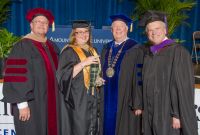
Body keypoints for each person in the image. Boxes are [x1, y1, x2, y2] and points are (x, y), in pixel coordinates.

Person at [2, 8, 60, 135]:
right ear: (31, 25)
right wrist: (22, 104)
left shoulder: (52, 46)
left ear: (48, 27)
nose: (41, 24)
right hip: (32, 102)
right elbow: (17, 76)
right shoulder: (22, 45)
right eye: (38, 21)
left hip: (51, 101)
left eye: (45, 23)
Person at [139, 10, 198, 135]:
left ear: (165, 30)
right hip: (151, 113)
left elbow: (184, 88)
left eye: (157, 28)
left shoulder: (178, 52)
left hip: (168, 114)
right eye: (150, 30)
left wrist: (177, 114)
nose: (154, 33)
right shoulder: (149, 54)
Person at [57, 20, 104, 135]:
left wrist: (97, 79)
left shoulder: (93, 51)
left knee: (93, 128)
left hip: (92, 97)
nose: (84, 35)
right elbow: (62, 76)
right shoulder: (68, 51)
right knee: (80, 129)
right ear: (74, 34)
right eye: (80, 32)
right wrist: (83, 63)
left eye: (86, 31)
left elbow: (92, 73)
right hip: (77, 99)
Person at [100, 14, 144, 135]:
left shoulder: (136, 48)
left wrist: (138, 103)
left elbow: (139, 77)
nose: (118, 29)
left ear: (127, 29)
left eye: (121, 27)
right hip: (107, 95)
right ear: (111, 30)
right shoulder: (106, 48)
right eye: (115, 27)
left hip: (126, 97)